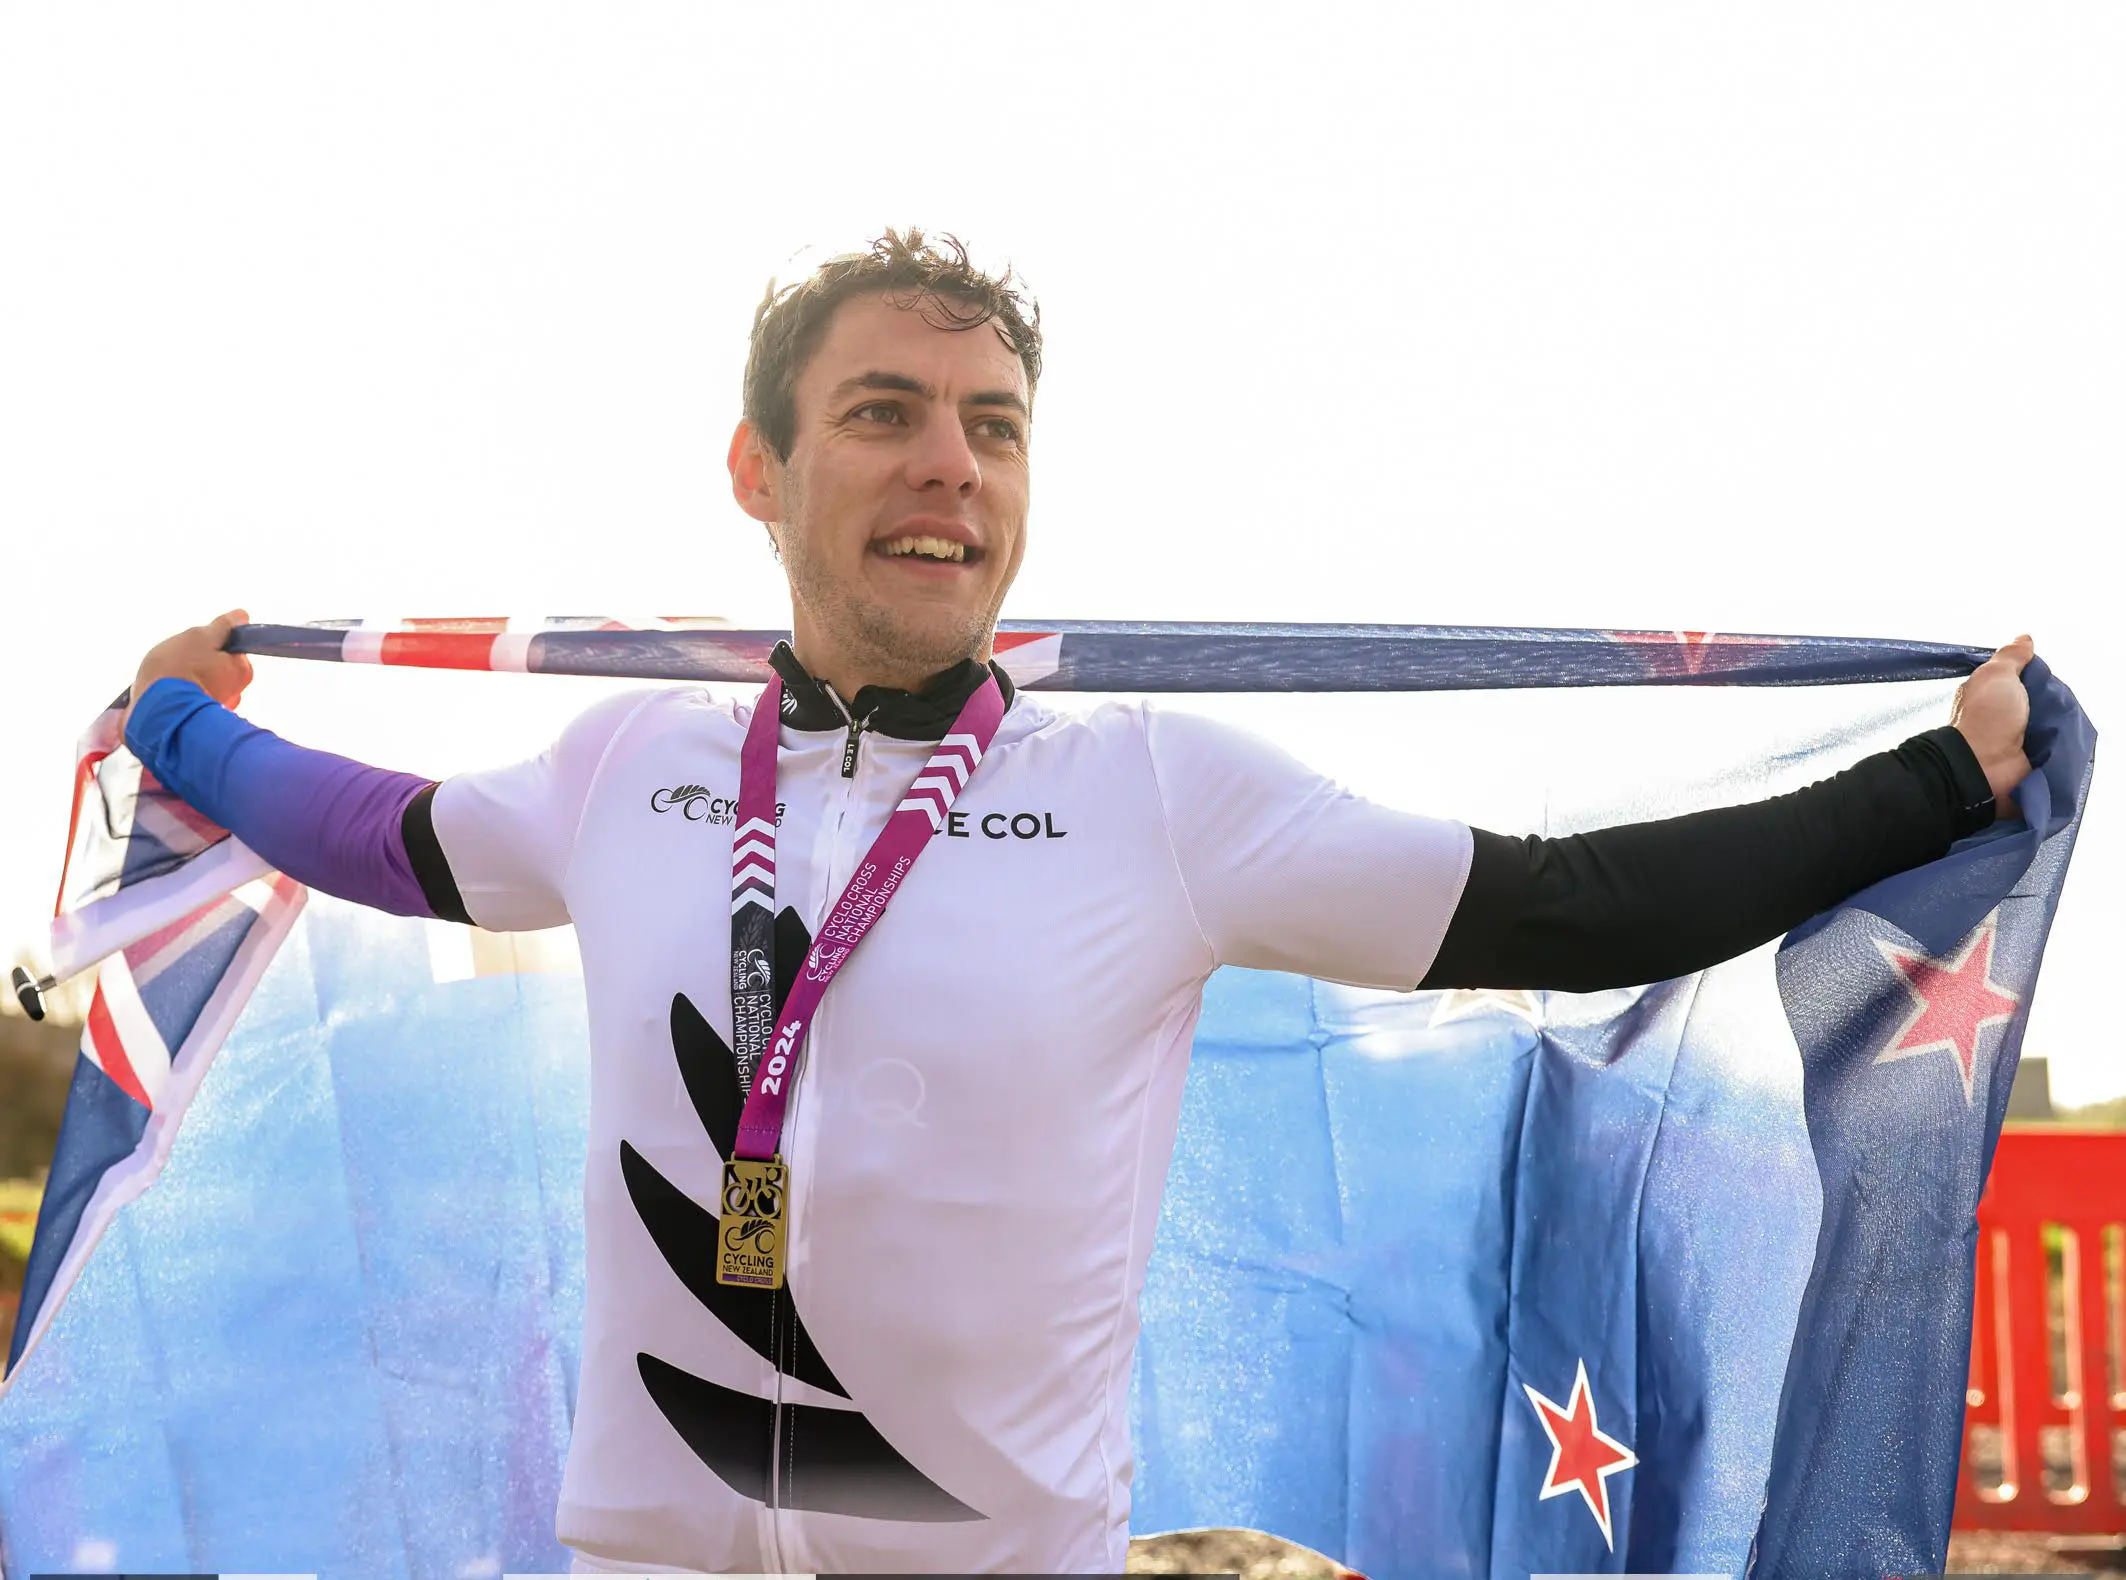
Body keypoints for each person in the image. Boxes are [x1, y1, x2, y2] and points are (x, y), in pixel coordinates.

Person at [122, 229, 2035, 1575]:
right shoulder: (629, 766)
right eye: (882, 412)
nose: (949, 464)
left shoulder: (1151, 794)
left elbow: (1566, 912)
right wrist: (183, 729)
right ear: (758, 469)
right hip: (650, 1554)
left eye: (994, 424)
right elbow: (380, 833)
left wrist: (1937, 782)